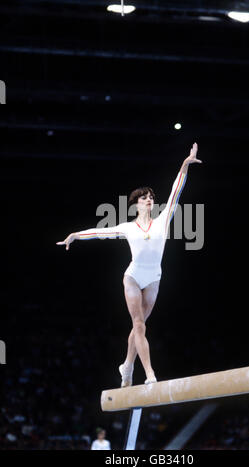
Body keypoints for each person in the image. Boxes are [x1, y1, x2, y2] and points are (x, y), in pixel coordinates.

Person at [56, 143, 202, 386]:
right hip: (133, 277)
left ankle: (126, 365)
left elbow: (176, 192)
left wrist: (185, 164)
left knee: (139, 328)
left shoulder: (163, 220)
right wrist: (75, 235)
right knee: (139, 324)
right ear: (136, 203)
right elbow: (99, 232)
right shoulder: (126, 227)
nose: (149, 200)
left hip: (154, 278)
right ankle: (150, 375)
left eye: (151, 198)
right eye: (144, 198)